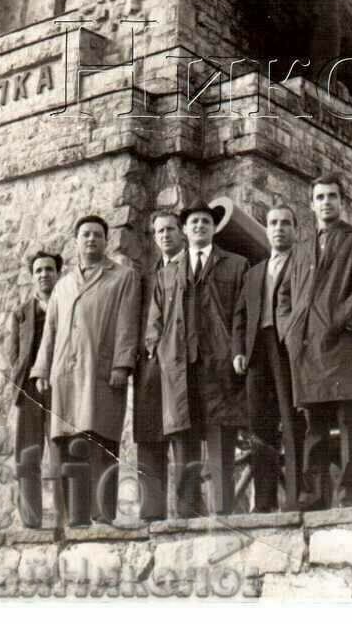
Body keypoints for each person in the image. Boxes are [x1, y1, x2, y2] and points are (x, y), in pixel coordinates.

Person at [277, 173, 352, 510]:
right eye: (320, 197)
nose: (326, 203)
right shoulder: (302, 249)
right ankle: (313, 495)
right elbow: (285, 295)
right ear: (311, 204)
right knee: (315, 428)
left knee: (350, 424)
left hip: (344, 348)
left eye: (332, 197)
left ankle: (351, 494)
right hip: (308, 350)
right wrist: (290, 330)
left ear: (342, 202)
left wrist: (340, 325)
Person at [31, 215, 140, 526]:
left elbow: (127, 324)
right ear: (76, 242)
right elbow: (50, 331)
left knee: (101, 439)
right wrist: (41, 370)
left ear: (106, 241)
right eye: (85, 235)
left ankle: (102, 514)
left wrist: (122, 363)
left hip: (100, 370)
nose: (91, 240)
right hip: (64, 373)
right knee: (67, 444)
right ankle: (73, 519)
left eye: (97, 235)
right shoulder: (63, 285)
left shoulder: (122, 277)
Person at [145, 200, 248, 517]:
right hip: (179, 366)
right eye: (193, 223)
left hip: (219, 364)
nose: (199, 226)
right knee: (183, 438)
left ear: (213, 228)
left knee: (221, 435)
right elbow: (155, 317)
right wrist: (158, 348)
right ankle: (187, 511)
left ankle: (224, 512)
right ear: (185, 231)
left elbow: (242, 313)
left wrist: (238, 349)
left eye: (205, 221)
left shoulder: (235, 264)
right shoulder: (168, 273)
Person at [232, 204, 304, 512]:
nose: (278, 228)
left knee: (291, 420)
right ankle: (263, 501)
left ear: (294, 230)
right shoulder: (255, 272)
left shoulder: (303, 263)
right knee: (259, 423)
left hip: (288, 346)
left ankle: (297, 496)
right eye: (273, 223)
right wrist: (238, 350)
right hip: (257, 350)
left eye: (285, 223)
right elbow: (239, 315)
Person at [133, 210, 186, 521]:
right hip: (150, 366)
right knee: (150, 437)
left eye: (170, 229)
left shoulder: (189, 268)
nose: (165, 235)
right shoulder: (148, 276)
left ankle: (184, 510)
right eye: (159, 231)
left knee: (181, 435)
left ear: (181, 233)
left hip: (179, 360)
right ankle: (151, 510)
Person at [7, 249, 63, 528]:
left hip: (59, 388)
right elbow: (14, 355)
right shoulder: (20, 313)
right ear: (32, 277)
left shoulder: (65, 306)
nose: (44, 274)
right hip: (29, 391)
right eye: (39, 270)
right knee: (27, 456)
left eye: (49, 269)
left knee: (60, 455)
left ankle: (65, 519)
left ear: (58, 273)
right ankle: (31, 521)